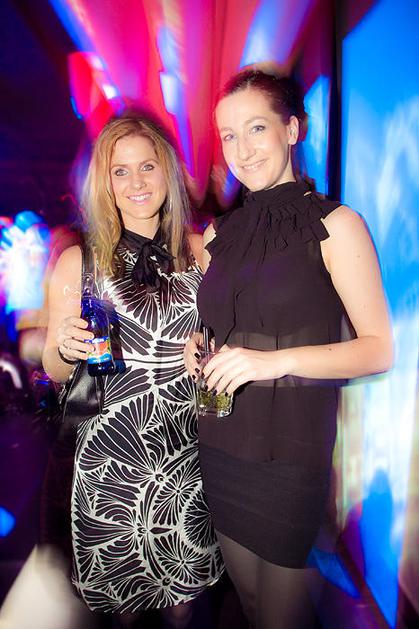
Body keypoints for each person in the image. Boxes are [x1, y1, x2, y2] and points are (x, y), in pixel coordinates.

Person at [184, 69, 393, 628]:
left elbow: (378, 350)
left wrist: (273, 361)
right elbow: (225, 324)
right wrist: (197, 343)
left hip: (290, 455)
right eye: (229, 135)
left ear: (292, 129)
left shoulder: (337, 224)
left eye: (256, 128)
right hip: (220, 443)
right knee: (251, 605)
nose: (242, 150)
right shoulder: (218, 235)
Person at [42, 113, 223, 628]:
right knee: (123, 611)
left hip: (188, 460)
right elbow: (55, 371)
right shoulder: (78, 261)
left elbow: (225, 337)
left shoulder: (201, 251)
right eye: (120, 171)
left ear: (168, 171)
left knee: (185, 608)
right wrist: (65, 347)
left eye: (147, 166)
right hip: (110, 465)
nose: (136, 182)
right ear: (106, 182)